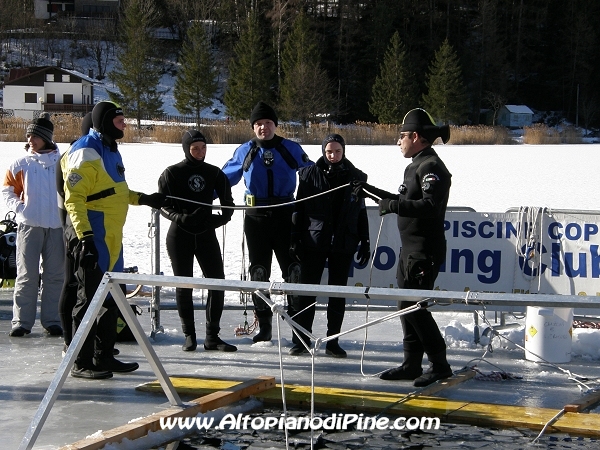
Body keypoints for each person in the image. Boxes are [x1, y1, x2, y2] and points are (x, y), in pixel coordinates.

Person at [62, 101, 166, 379]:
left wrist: (143, 198)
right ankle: (81, 362)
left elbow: (114, 191)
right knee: (88, 299)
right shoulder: (86, 149)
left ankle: (104, 355)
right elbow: (74, 199)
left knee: (111, 297)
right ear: (105, 121)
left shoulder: (110, 149)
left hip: (111, 237)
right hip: (91, 233)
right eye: (120, 120)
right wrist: (85, 238)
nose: (124, 124)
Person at [355, 108, 452, 387]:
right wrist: (369, 190)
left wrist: (393, 205)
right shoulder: (416, 164)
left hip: (424, 250)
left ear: (416, 137)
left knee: (415, 306)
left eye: (402, 136)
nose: (398, 142)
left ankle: (439, 364)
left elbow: (430, 206)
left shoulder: (431, 166)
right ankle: (411, 363)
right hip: (410, 249)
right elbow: (403, 199)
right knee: (405, 306)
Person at [221, 101, 313, 343]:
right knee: (258, 273)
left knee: (294, 272)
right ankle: (265, 327)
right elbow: (223, 179)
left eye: (268, 123)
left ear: (275, 125)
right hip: (256, 219)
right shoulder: (245, 150)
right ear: (253, 127)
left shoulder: (289, 148)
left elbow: (312, 174)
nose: (263, 127)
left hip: (286, 216)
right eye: (259, 124)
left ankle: (297, 330)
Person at [288, 134, 370, 357]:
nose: (333, 156)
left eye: (337, 152)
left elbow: (361, 212)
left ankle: (333, 341)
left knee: (337, 293)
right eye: (329, 152)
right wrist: (295, 238)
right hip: (314, 242)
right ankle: (302, 339)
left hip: (343, 243)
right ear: (323, 152)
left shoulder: (355, 177)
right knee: (307, 292)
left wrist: (365, 240)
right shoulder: (308, 175)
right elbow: (299, 208)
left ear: (344, 152)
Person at [158, 130, 237, 352]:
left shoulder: (214, 173)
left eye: (203, 148)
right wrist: (179, 217)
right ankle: (189, 335)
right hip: (179, 234)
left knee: (217, 283)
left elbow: (228, 204)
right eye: (195, 148)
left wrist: (217, 221)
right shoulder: (172, 173)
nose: (200, 152)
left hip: (205, 234)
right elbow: (163, 204)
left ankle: (212, 336)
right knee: (185, 285)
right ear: (186, 149)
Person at [2, 113, 64, 337]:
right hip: (29, 227)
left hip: (57, 228)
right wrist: (21, 209)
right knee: (26, 275)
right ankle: (21, 322)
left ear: (46, 138)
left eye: (35, 135)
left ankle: (52, 320)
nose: (30, 139)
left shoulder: (62, 162)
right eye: (29, 135)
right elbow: (8, 190)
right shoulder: (21, 164)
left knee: (55, 276)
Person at [57, 112, 93, 353]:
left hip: (93, 225)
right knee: (72, 283)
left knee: (91, 286)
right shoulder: (75, 153)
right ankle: (70, 339)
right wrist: (71, 229)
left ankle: (94, 340)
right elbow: (64, 195)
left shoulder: (100, 152)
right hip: (74, 225)